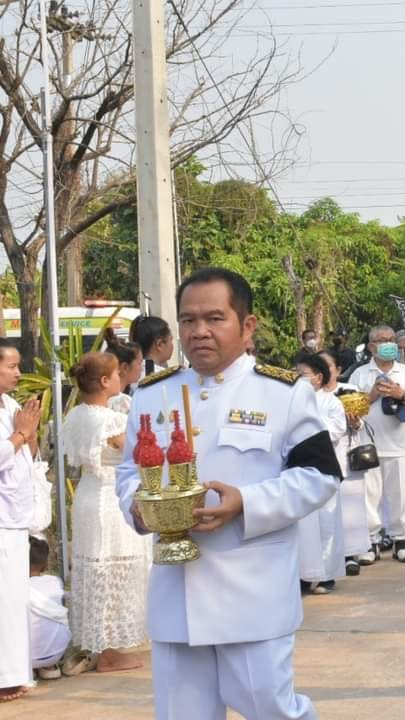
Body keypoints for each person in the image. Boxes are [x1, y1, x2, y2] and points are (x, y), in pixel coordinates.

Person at [115, 267, 341, 719]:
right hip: (176, 595)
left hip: (251, 590)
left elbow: (319, 475)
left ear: (247, 325)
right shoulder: (152, 395)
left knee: (272, 709)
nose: (199, 332)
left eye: (215, 318)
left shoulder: (284, 393)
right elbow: (128, 472)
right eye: (188, 320)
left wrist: (247, 503)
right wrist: (139, 509)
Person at [65, 352, 153, 672]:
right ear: (104, 382)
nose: (120, 379)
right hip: (109, 499)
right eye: (116, 374)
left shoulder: (77, 414)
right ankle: (109, 653)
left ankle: (102, 646)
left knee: (97, 568)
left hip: (88, 495)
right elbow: (136, 451)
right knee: (116, 570)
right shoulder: (108, 419)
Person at [352, 325, 405, 564]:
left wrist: (399, 393)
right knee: (369, 497)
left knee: (400, 493)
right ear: (371, 346)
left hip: (399, 445)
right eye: (383, 340)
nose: (389, 344)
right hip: (367, 445)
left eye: (392, 339)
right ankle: (370, 541)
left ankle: (401, 540)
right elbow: (350, 410)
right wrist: (372, 395)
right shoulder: (359, 375)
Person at [0, 339, 42, 704]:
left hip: (14, 518)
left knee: (14, 602)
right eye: (11, 366)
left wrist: (31, 435)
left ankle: (14, 672)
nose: (18, 372)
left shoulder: (12, 406)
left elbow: (26, 456)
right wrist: (20, 434)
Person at [294, 353, 347, 595]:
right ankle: (305, 575)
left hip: (325, 468)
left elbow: (336, 430)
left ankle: (326, 574)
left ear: (317, 377)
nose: (299, 378)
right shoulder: (292, 400)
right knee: (303, 526)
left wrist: (311, 421)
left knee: (326, 523)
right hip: (299, 469)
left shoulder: (331, 402)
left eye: (303, 374)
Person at [319, 352, 371, 576]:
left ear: (338, 369)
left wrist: (355, 421)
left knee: (350, 508)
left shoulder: (348, 391)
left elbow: (361, 424)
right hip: (321, 458)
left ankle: (352, 553)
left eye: (328, 365)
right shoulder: (310, 395)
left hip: (346, 455)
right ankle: (329, 555)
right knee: (327, 511)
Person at [28, 536, 70, 681]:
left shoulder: (13, 587)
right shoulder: (54, 581)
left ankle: (29, 668)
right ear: (45, 565)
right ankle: (49, 667)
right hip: (57, 652)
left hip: (25, 657)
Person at [130, 315, 174, 379]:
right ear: (160, 344)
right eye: (171, 339)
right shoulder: (164, 377)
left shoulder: (130, 375)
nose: (172, 345)